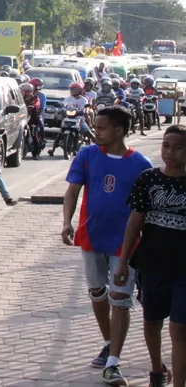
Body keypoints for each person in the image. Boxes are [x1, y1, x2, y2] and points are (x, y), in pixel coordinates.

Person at [62, 105, 153, 386]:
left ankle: (113, 362)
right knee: (97, 293)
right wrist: (67, 222)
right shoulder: (87, 155)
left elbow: (146, 210)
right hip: (91, 238)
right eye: (95, 127)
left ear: (119, 130)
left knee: (120, 299)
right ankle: (108, 342)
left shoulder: (141, 165)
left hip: (125, 244)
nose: (96, 132)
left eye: (101, 128)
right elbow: (73, 190)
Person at [118, 125, 186, 387]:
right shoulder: (148, 179)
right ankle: (157, 370)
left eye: (178, 147)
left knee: (179, 329)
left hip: (183, 271)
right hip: (152, 265)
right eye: (166, 145)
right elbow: (135, 220)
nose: (170, 152)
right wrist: (123, 261)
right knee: (152, 321)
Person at [49, 82, 93, 157]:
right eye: (72, 89)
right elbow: (63, 104)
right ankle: (52, 150)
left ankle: (96, 144)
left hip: (79, 119)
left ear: (80, 90)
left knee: (87, 131)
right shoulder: (69, 98)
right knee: (60, 133)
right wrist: (61, 109)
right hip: (68, 118)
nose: (73, 91)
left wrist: (84, 112)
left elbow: (85, 109)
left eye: (75, 89)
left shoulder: (83, 100)